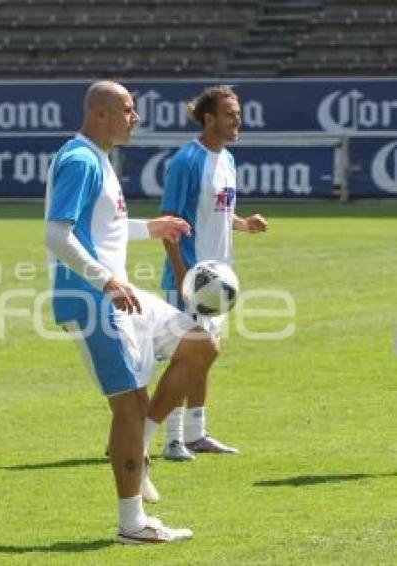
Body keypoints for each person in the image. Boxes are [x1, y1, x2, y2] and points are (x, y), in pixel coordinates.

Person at [45, 80, 220, 544]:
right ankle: (132, 524)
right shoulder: (81, 159)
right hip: (92, 299)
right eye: (128, 108)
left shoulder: (97, 159)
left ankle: (138, 448)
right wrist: (106, 281)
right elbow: (57, 235)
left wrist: (150, 227)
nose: (135, 117)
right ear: (100, 113)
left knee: (200, 346)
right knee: (128, 403)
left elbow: (104, 230)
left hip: (117, 293)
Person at [159, 85, 268, 462]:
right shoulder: (187, 161)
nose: (238, 120)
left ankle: (196, 432)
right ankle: (172, 438)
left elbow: (218, 213)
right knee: (187, 356)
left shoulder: (228, 160)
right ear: (209, 118)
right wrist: (181, 274)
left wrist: (244, 224)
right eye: (230, 114)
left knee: (205, 357)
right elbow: (170, 222)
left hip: (219, 282)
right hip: (193, 279)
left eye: (238, 113)